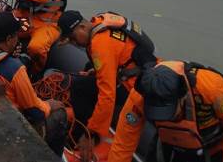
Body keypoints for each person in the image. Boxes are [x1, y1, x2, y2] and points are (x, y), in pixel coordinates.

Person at [58, 10, 158, 160]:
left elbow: (107, 96)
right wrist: (98, 71)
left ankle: (80, 137)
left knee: (80, 88)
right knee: (87, 72)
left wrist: (91, 133)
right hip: (139, 71)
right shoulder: (101, 21)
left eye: (72, 38)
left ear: (82, 28)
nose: (73, 43)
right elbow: (121, 52)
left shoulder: (100, 44)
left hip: (134, 87)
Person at [109, 61, 223, 162]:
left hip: (208, 148)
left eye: (168, 111)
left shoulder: (211, 88)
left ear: (182, 96)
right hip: (168, 143)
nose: (166, 118)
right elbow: (123, 142)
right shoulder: (139, 96)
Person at [0, 12, 71, 156]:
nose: (18, 39)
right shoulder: (14, 68)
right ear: (8, 39)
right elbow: (36, 112)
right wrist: (49, 105)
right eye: (16, 35)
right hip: (11, 125)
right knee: (60, 114)